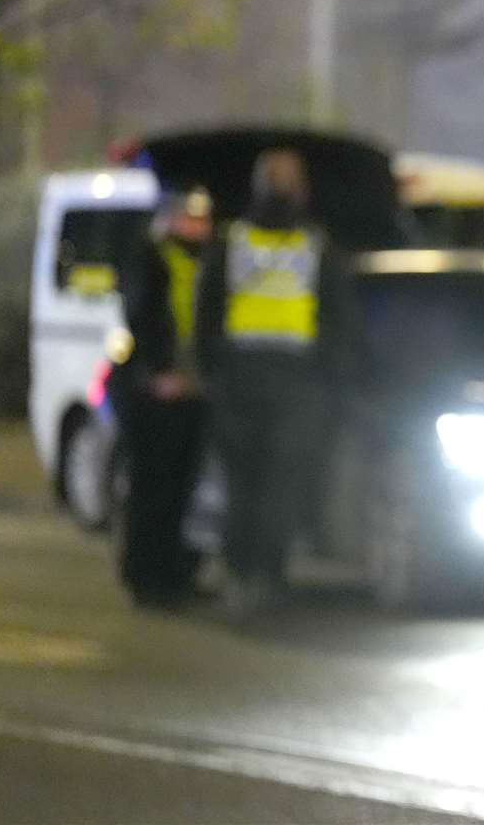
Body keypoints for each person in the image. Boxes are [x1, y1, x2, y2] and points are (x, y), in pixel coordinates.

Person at [194, 147, 353, 619]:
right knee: (270, 489)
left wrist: (213, 373)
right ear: (300, 191)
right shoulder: (314, 245)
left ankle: (248, 577)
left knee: (249, 489)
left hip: (250, 382)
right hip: (287, 384)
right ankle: (261, 577)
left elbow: (207, 317)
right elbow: (341, 321)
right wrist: (331, 380)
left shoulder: (234, 241)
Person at [112, 186, 213, 608]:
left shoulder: (209, 262)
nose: (196, 226)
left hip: (195, 391)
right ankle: (144, 577)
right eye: (188, 217)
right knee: (152, 489)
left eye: (202, 219)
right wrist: (158, 373)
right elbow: (140, 316)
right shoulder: (150, 257)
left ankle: (175, 574)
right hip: (155, 393)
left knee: (183, 490)